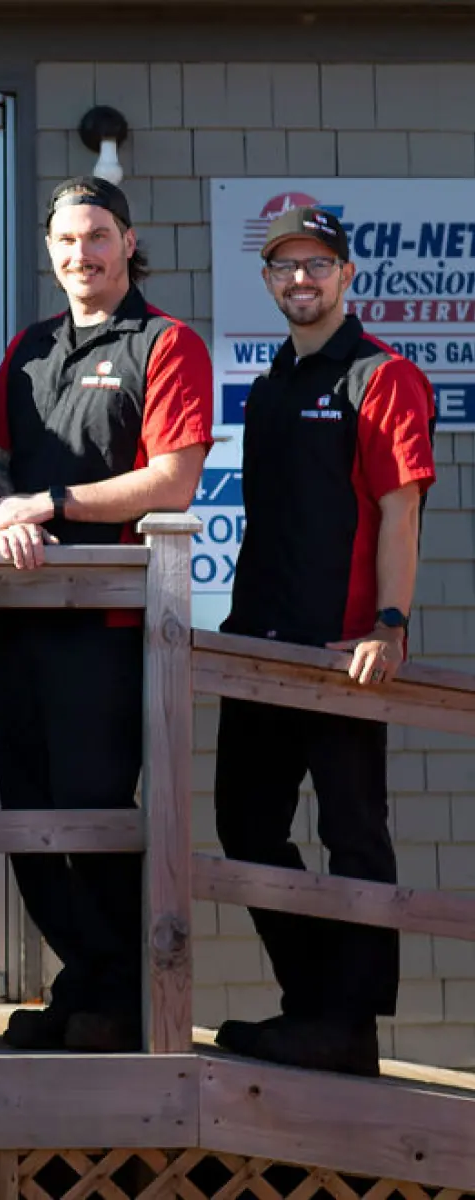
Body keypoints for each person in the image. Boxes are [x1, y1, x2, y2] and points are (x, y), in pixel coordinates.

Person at [0, 176, 213, 1053]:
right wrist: (9, 508)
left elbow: (173, 477)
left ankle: (119, 994)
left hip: (111, 624)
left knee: (92, 805)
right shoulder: (29, 348)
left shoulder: (166, 343)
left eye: (98, 236)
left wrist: (52, 502)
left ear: (128, 240)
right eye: (67, 241)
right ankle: (85, 980)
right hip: (25, 611)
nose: (83, 254)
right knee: (27, 815)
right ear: (50, 252)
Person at [212, 207, 435, 1077]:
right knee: (246, 825)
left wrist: (389, 623)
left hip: (342, 654)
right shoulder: (272, 382)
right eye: (283, 267)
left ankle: (352, 1026)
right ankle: (313, 1007)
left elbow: (399, 507)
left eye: (315, 265)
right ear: (269, 282)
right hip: (258, 647)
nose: (299, 279)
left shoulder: (382, 378)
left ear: (347, 275)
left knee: (354, 834)